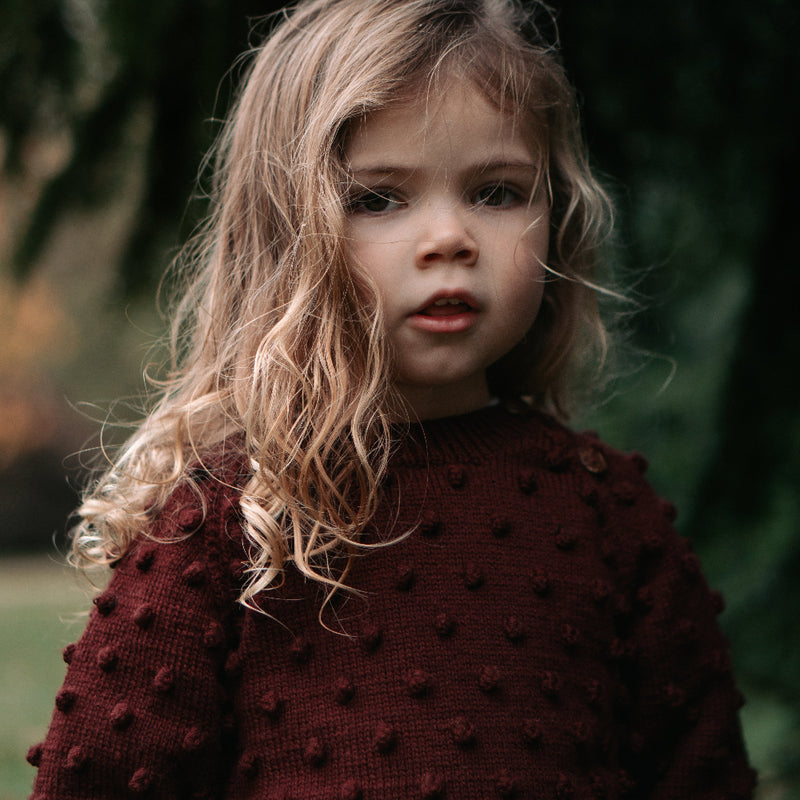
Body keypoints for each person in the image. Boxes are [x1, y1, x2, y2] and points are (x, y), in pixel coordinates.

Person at [28, 1, 756, 798]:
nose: (450, 237)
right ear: (286, 233)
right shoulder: (228, 523)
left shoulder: (609, 516)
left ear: (558, 216)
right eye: (378, 199)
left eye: (497, 192)